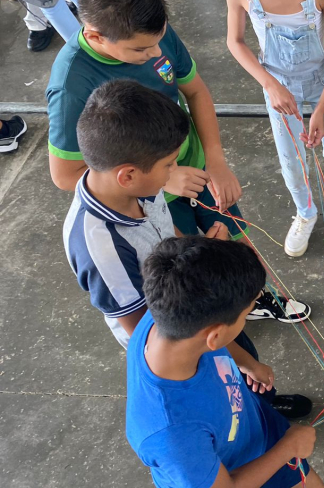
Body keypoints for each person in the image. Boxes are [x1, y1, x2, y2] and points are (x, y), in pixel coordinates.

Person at [46, 0, 310, 323]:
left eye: (159, 41)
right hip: (154, 196)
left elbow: (196, 92)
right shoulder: (71, 84)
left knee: (235, 244)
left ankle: (255, 296)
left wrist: (215, 161)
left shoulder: (150, 29)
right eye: (142, 49)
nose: (157, 54)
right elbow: (64, 175)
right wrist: (165, 178)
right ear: (97, 36)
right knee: (194, 276)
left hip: (198, 171)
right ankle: (222, 319)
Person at [63, 79, 311, 419]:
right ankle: (251, 414)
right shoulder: (100, 247)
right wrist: (245, 362)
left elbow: (169, 238)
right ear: (128, 175)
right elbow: (147, 331)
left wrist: (199, 250)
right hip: (181, 344)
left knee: (239, 353)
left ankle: (260, 403)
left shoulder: (139, 186)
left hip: (200, 316)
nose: (173, 173)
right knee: (226, 389)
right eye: (169, 165)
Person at [129, 235, 324, 488]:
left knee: (293, 466)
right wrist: (286, 448)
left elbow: (213, 340)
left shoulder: (167, 318)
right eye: (246, 313)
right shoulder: (173, 432)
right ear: (215, 334)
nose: (247, 316)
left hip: (250, 426)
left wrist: (248, 363)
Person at [226, 0, 324, 257]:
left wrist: (320, 110)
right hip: (277, 83)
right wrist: (270, 85)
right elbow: (235, 41)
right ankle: (305, 213)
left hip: (323, 81)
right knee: (291, 159)